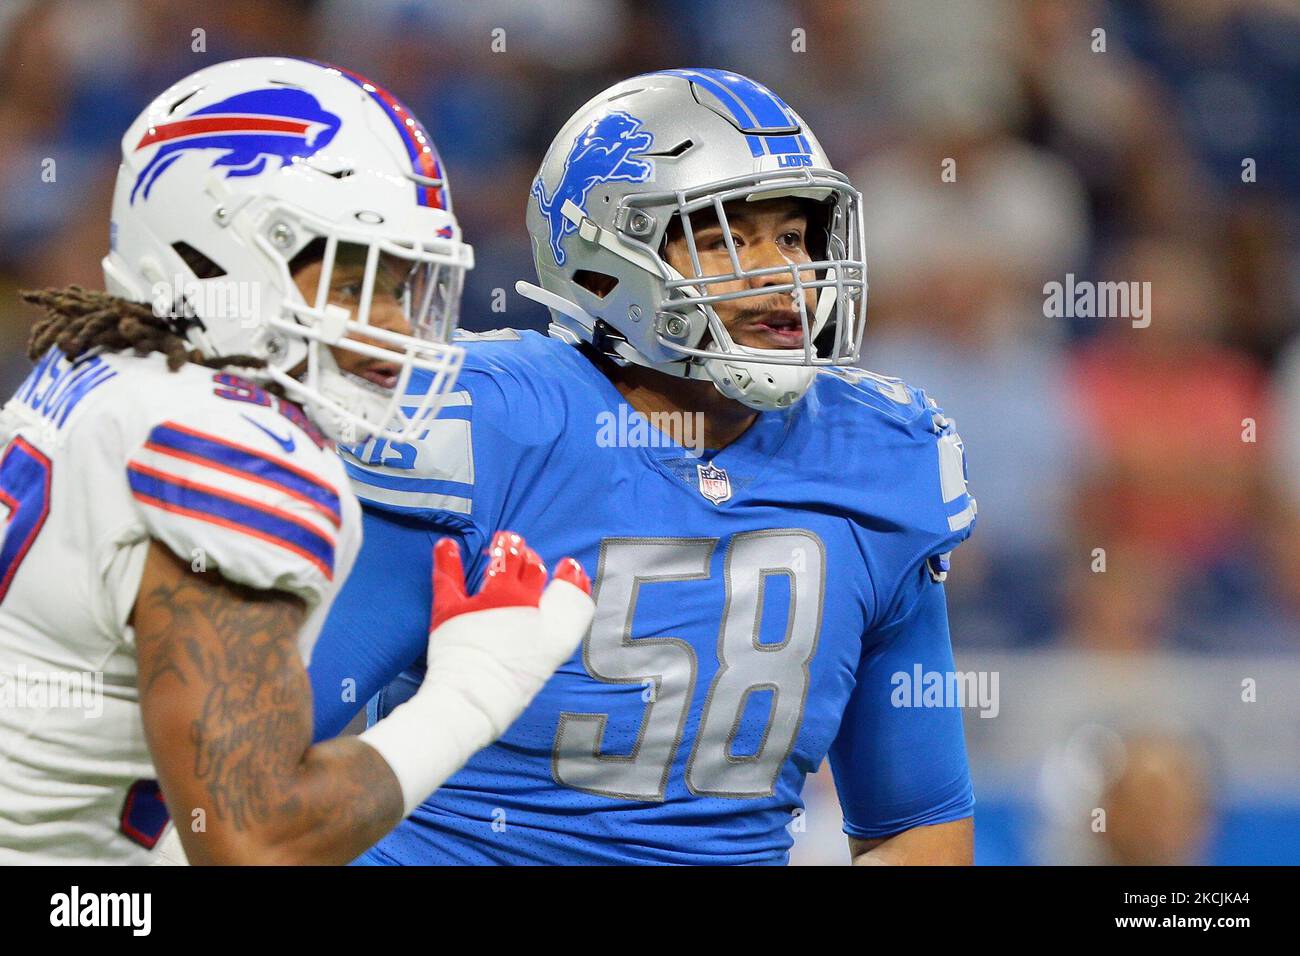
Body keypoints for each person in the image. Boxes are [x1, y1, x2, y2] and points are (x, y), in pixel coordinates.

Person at [311, 69, 976, 865]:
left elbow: (920, 826)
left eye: (795, 237)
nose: (783, 273)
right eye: (726, 236)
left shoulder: (879, 457)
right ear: (602, 267)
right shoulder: (490, 426)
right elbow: (259, 759)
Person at [0, 57, 593, 865]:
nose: (396, 329)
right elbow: (257, 843)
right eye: (352, 283)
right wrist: (472, 692)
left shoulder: (100, 372)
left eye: (407, 285)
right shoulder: (230, 450)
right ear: (212, 255)